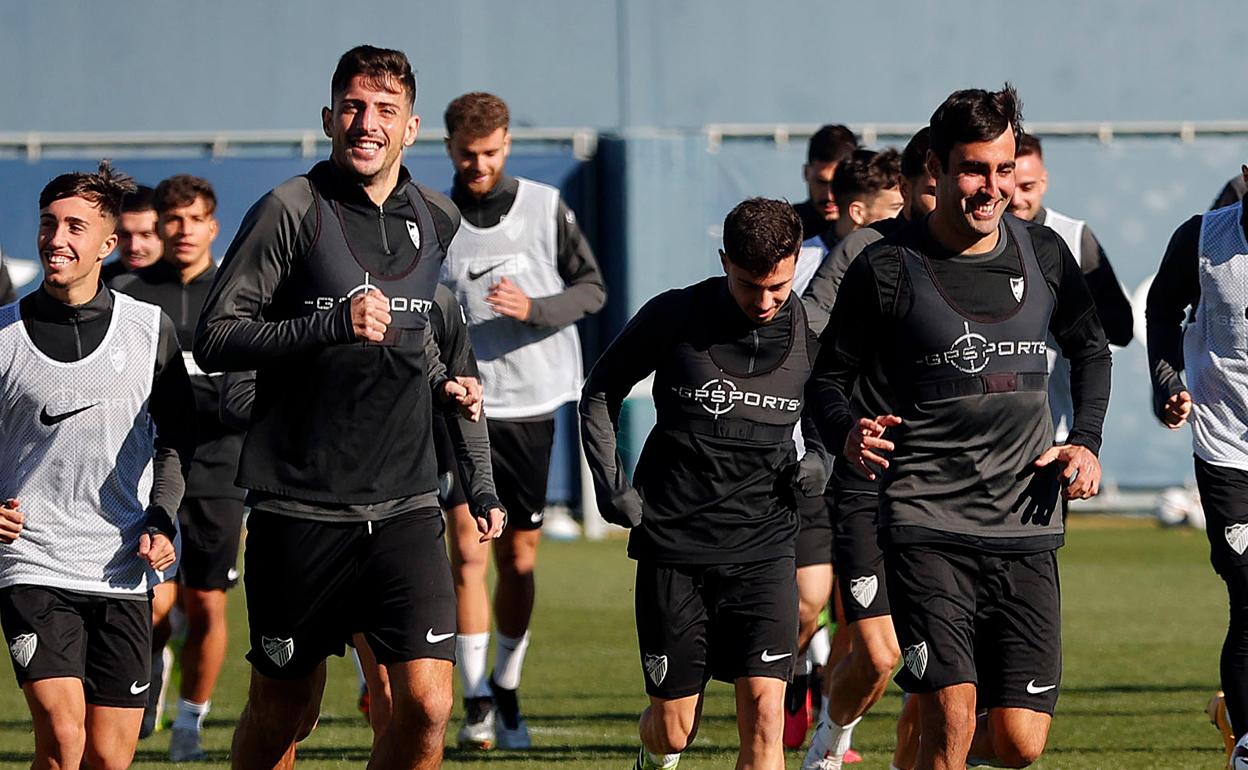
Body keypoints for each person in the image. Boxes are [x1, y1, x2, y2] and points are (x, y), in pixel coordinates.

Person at [193, 46, 504, 770]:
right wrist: (327, 323)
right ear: (330, 117)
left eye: (385, 111)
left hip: (404, 506)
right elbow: (215, 338)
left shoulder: (438, 218)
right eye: (355, 109)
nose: (367, 124)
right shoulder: (289, 210)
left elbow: (414, 331)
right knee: (285, 713)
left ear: (411, 127)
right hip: (298, 508)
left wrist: (444, 385)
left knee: (426, 707)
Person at [810, 85, 1112, 770]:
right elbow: (827, 378)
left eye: (1004, 170)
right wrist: (847, 431)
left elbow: (1092, 349)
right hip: (925, 519)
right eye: (975, 169)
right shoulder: (885, 266)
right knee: (950, 715)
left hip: (1027, 519)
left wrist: (1086, 441)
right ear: (937, 170)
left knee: (1018, 744)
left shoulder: (1046, 256)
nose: (993, 187)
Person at [581, 197, 824, 770]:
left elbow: (830, 417)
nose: (764, 302)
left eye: (779, 287)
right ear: (723, 262)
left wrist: (820, 460)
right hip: (675, 545)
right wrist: (610, 482)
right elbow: (599, 391)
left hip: (764, 547)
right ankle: (653, 754)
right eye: (749, 286)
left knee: (766, 722)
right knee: (673, 730)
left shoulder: (812, 331)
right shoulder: (676, 314)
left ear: (794, 264)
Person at [0, 162, 193, 770]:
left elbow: (178, 439)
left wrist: (162, 518)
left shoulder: (147, 330)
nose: (57, 239)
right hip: (32, 559)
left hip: (119, 568)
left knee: (108, 760)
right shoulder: (4, 334)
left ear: (108, 244)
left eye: (75, 227)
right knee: (62, 739)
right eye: (48, 224)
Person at [440, 91, 606, 750]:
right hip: (460, 404)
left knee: (520, 556)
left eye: (488, 153)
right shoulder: (432, 214)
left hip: (532, 403)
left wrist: (535, 307)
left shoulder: (544, 206)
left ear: (506, 145)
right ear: (448, 148)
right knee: (465, 552)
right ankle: (475, 696)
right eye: (466, 154)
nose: (477, 165)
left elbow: (593, 289)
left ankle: (506, 684)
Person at [800, 127, 936, 770]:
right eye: (931, 186)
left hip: (946, 485)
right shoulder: (864, 249)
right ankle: (825, 744)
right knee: (877, 652)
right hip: (861, 476)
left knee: (933, 663)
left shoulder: (990, 255)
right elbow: (808, 333)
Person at [112, 174, 247, 760]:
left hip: (221, 472)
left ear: (212, 226)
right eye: (173, 221)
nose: (184, 231)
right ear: (158, 228)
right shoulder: (129, 294)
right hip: (148, 469)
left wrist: (197, 394)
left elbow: (247, 389)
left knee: (207, 603)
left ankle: (192, 720)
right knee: (152, 604)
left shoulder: (239, 292)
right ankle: (152, 669)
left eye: (195, 220)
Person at [783, 145, 903, 750]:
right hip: (816, 456)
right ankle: (783, 684)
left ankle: (830, 725)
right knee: (809, 603)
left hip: (878, 468)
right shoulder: (807, 267)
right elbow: (796, 340)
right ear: (857, 213)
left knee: (868, 630)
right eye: (896, 206)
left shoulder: (913, 265)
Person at [1147, 163, 1248, 764]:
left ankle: (1230, 708)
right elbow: (1162, 308)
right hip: (1227, 447)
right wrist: (1167, 381)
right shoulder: (1204, 238)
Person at [1009, 132, 1135, 441]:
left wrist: (1063, 315)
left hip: (1055, 426)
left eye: (1027, 187)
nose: (1016, 199)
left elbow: (1120, 328)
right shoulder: (974, 239)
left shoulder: (1073, 237)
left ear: (1044, 181)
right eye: (1009, 186)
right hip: (989, 429)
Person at [793, 125, 860, 241]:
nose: (829, 195)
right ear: (805, 172)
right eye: (821, 182)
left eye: (838, 183)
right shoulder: (786, 229)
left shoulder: (877, 231)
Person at [102, 184, 164, 285]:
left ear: (164, 232)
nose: (134, 247)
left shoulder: (186, 284)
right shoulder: (98, 285)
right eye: (125, 235)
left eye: (146, 235)